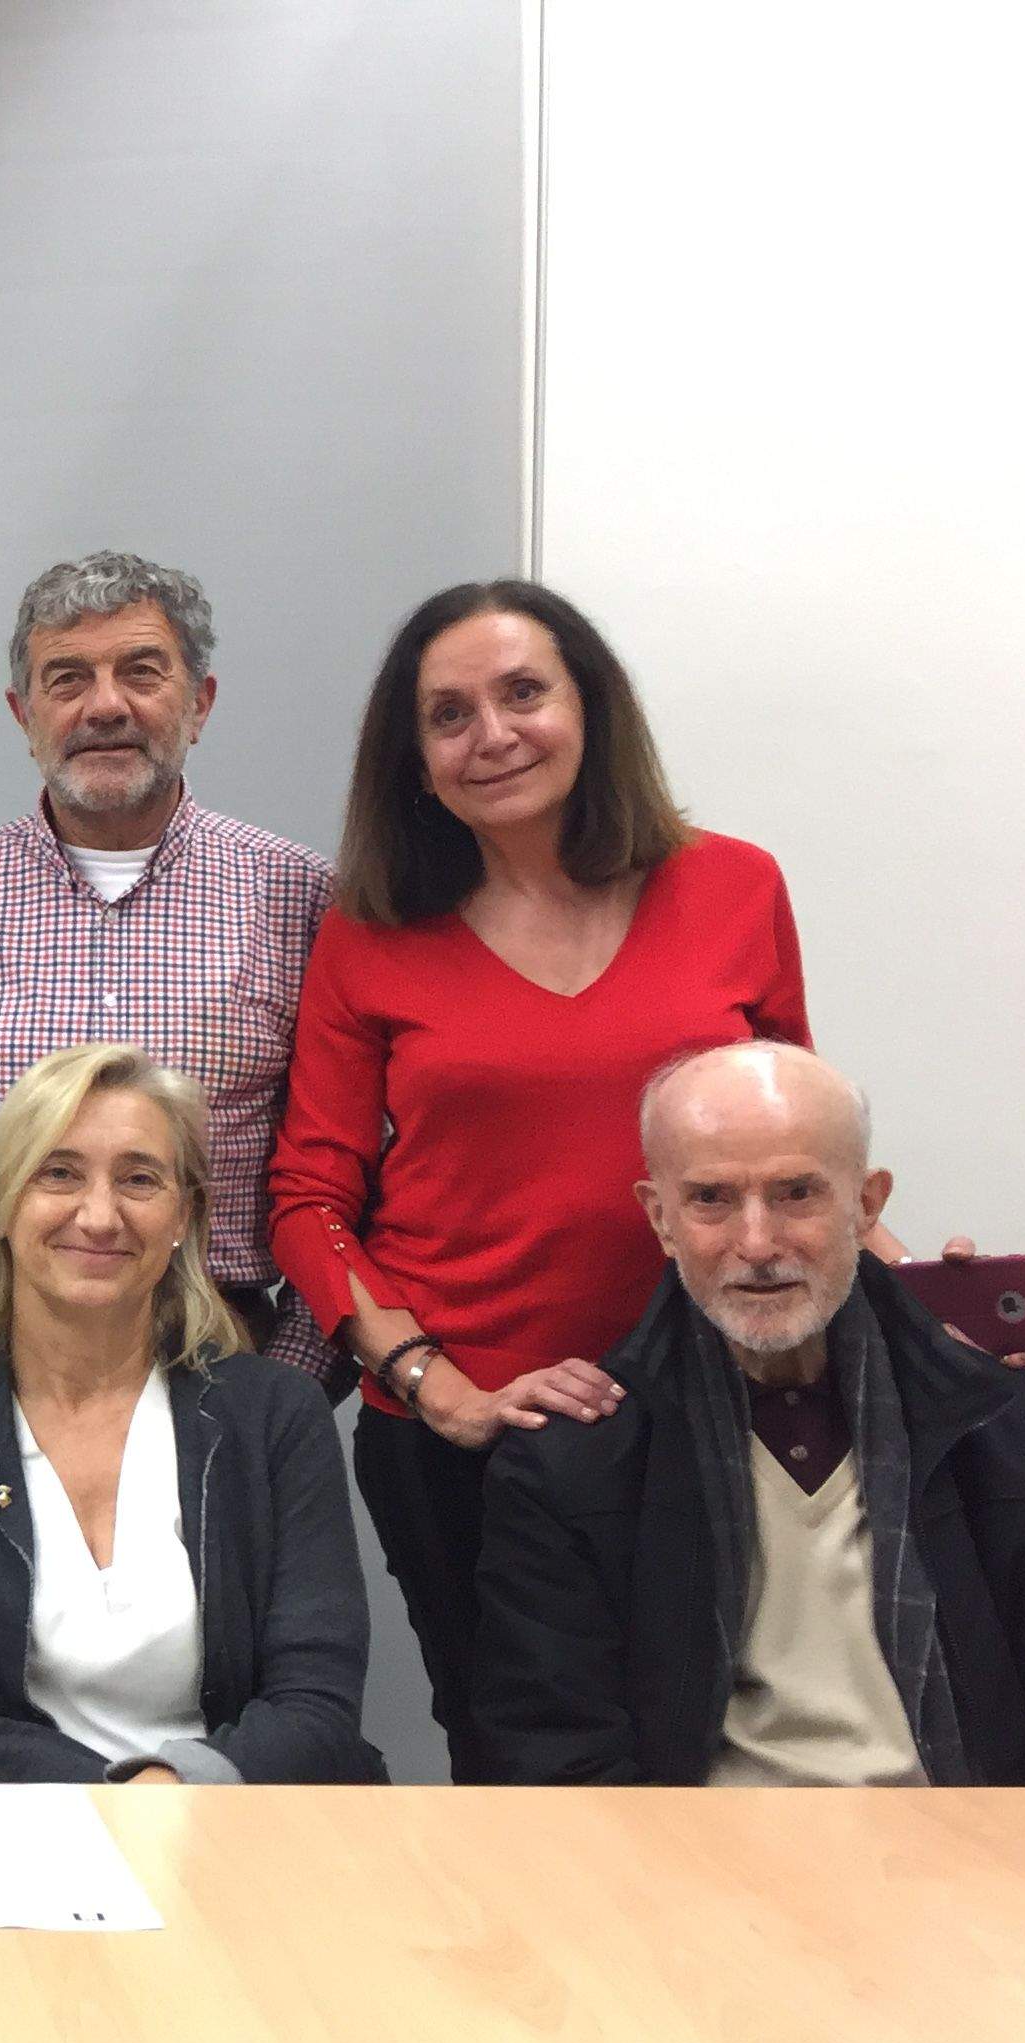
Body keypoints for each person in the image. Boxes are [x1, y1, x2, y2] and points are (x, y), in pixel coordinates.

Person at [269, 579, 820, 1774]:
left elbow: (794, 1154)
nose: (494, 735)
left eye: (524, 693)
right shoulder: (371, 931)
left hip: (711, 1404)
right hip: (472, 1441)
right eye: (450, 715)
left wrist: (918, 1306)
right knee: (524, 1768)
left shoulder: (735, 887)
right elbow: (310, 1199)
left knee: (737, 1741)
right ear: (416, 763)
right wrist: (432, 1384)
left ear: (592, 709)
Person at [473, 1044, 1025, 1786]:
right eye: (711, 1198)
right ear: (660, 1218)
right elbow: (555, 1759)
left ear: (867, 1205)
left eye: (796, 1193)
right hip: (692, 1877)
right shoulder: (570, 1463)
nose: (756, 1244)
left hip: (976, 1868)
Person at [0, 551, 337, 1401]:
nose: (106, 705)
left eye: (142, 673)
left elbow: (346, 1169)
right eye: (67, 679)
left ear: (200, 703)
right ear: (24, 715)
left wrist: (284, 1392)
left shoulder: (298, 897)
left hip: (218, 1356)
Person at [0, 1046, 378, 1784]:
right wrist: (127, 1804)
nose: (100, 1216)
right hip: (18, 1850)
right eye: (59, 1173)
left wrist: (178, 1792)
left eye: (140, 1179)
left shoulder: (276, 1418)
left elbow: (317, 1706)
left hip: (249, 1829)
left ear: (183, 1216)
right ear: (0, 1204)